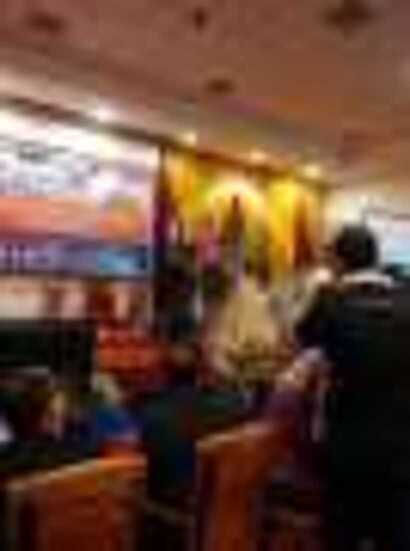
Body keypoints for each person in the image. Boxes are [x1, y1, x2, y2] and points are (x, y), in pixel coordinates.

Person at [297, 225, 410, 550]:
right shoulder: (406, 299)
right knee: (393, 535)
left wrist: (322, 291)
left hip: (346, 446)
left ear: (339, 261)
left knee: (341, 536)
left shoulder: (330, 300)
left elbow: (302, 337)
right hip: (400, 448)